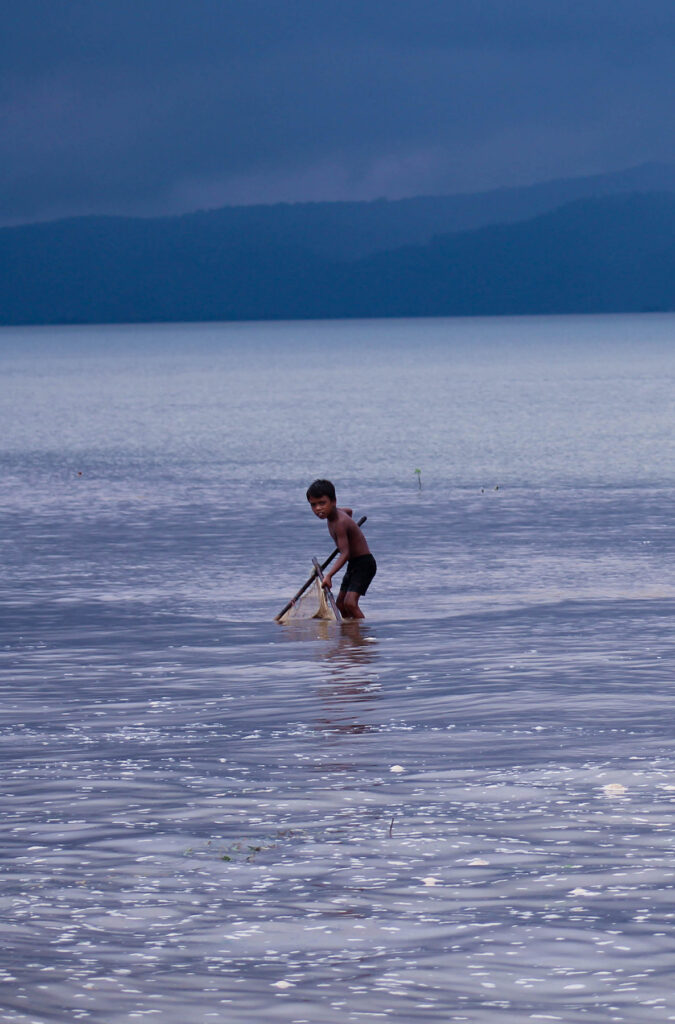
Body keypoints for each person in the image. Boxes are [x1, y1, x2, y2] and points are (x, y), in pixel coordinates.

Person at [306, 479, 376, 619]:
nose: (318, 508)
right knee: (340, 604)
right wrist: (349, 534)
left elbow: (345, 553)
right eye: (313, 505)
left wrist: (329, 575)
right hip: (354, 564)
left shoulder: (339, 523)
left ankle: (362, 633)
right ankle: (350, 632)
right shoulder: (335, 514)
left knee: (350, 603)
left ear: (334, 501)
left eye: (322, 503)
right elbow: (349, 511)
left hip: (364, 564)